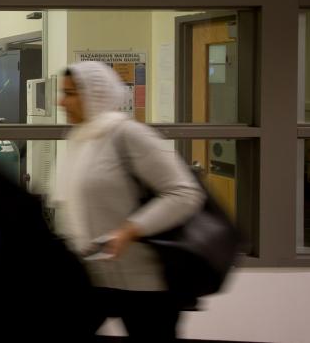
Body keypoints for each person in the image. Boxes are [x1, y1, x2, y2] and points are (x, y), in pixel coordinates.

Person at [54, 61, 206, 341]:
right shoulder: (82, 139)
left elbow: (184, 193)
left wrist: (130, 229)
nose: (60, 101)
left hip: (145, 283)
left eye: (71, 93)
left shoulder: (128, 134)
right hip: (93, 275)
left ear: (95, 95)